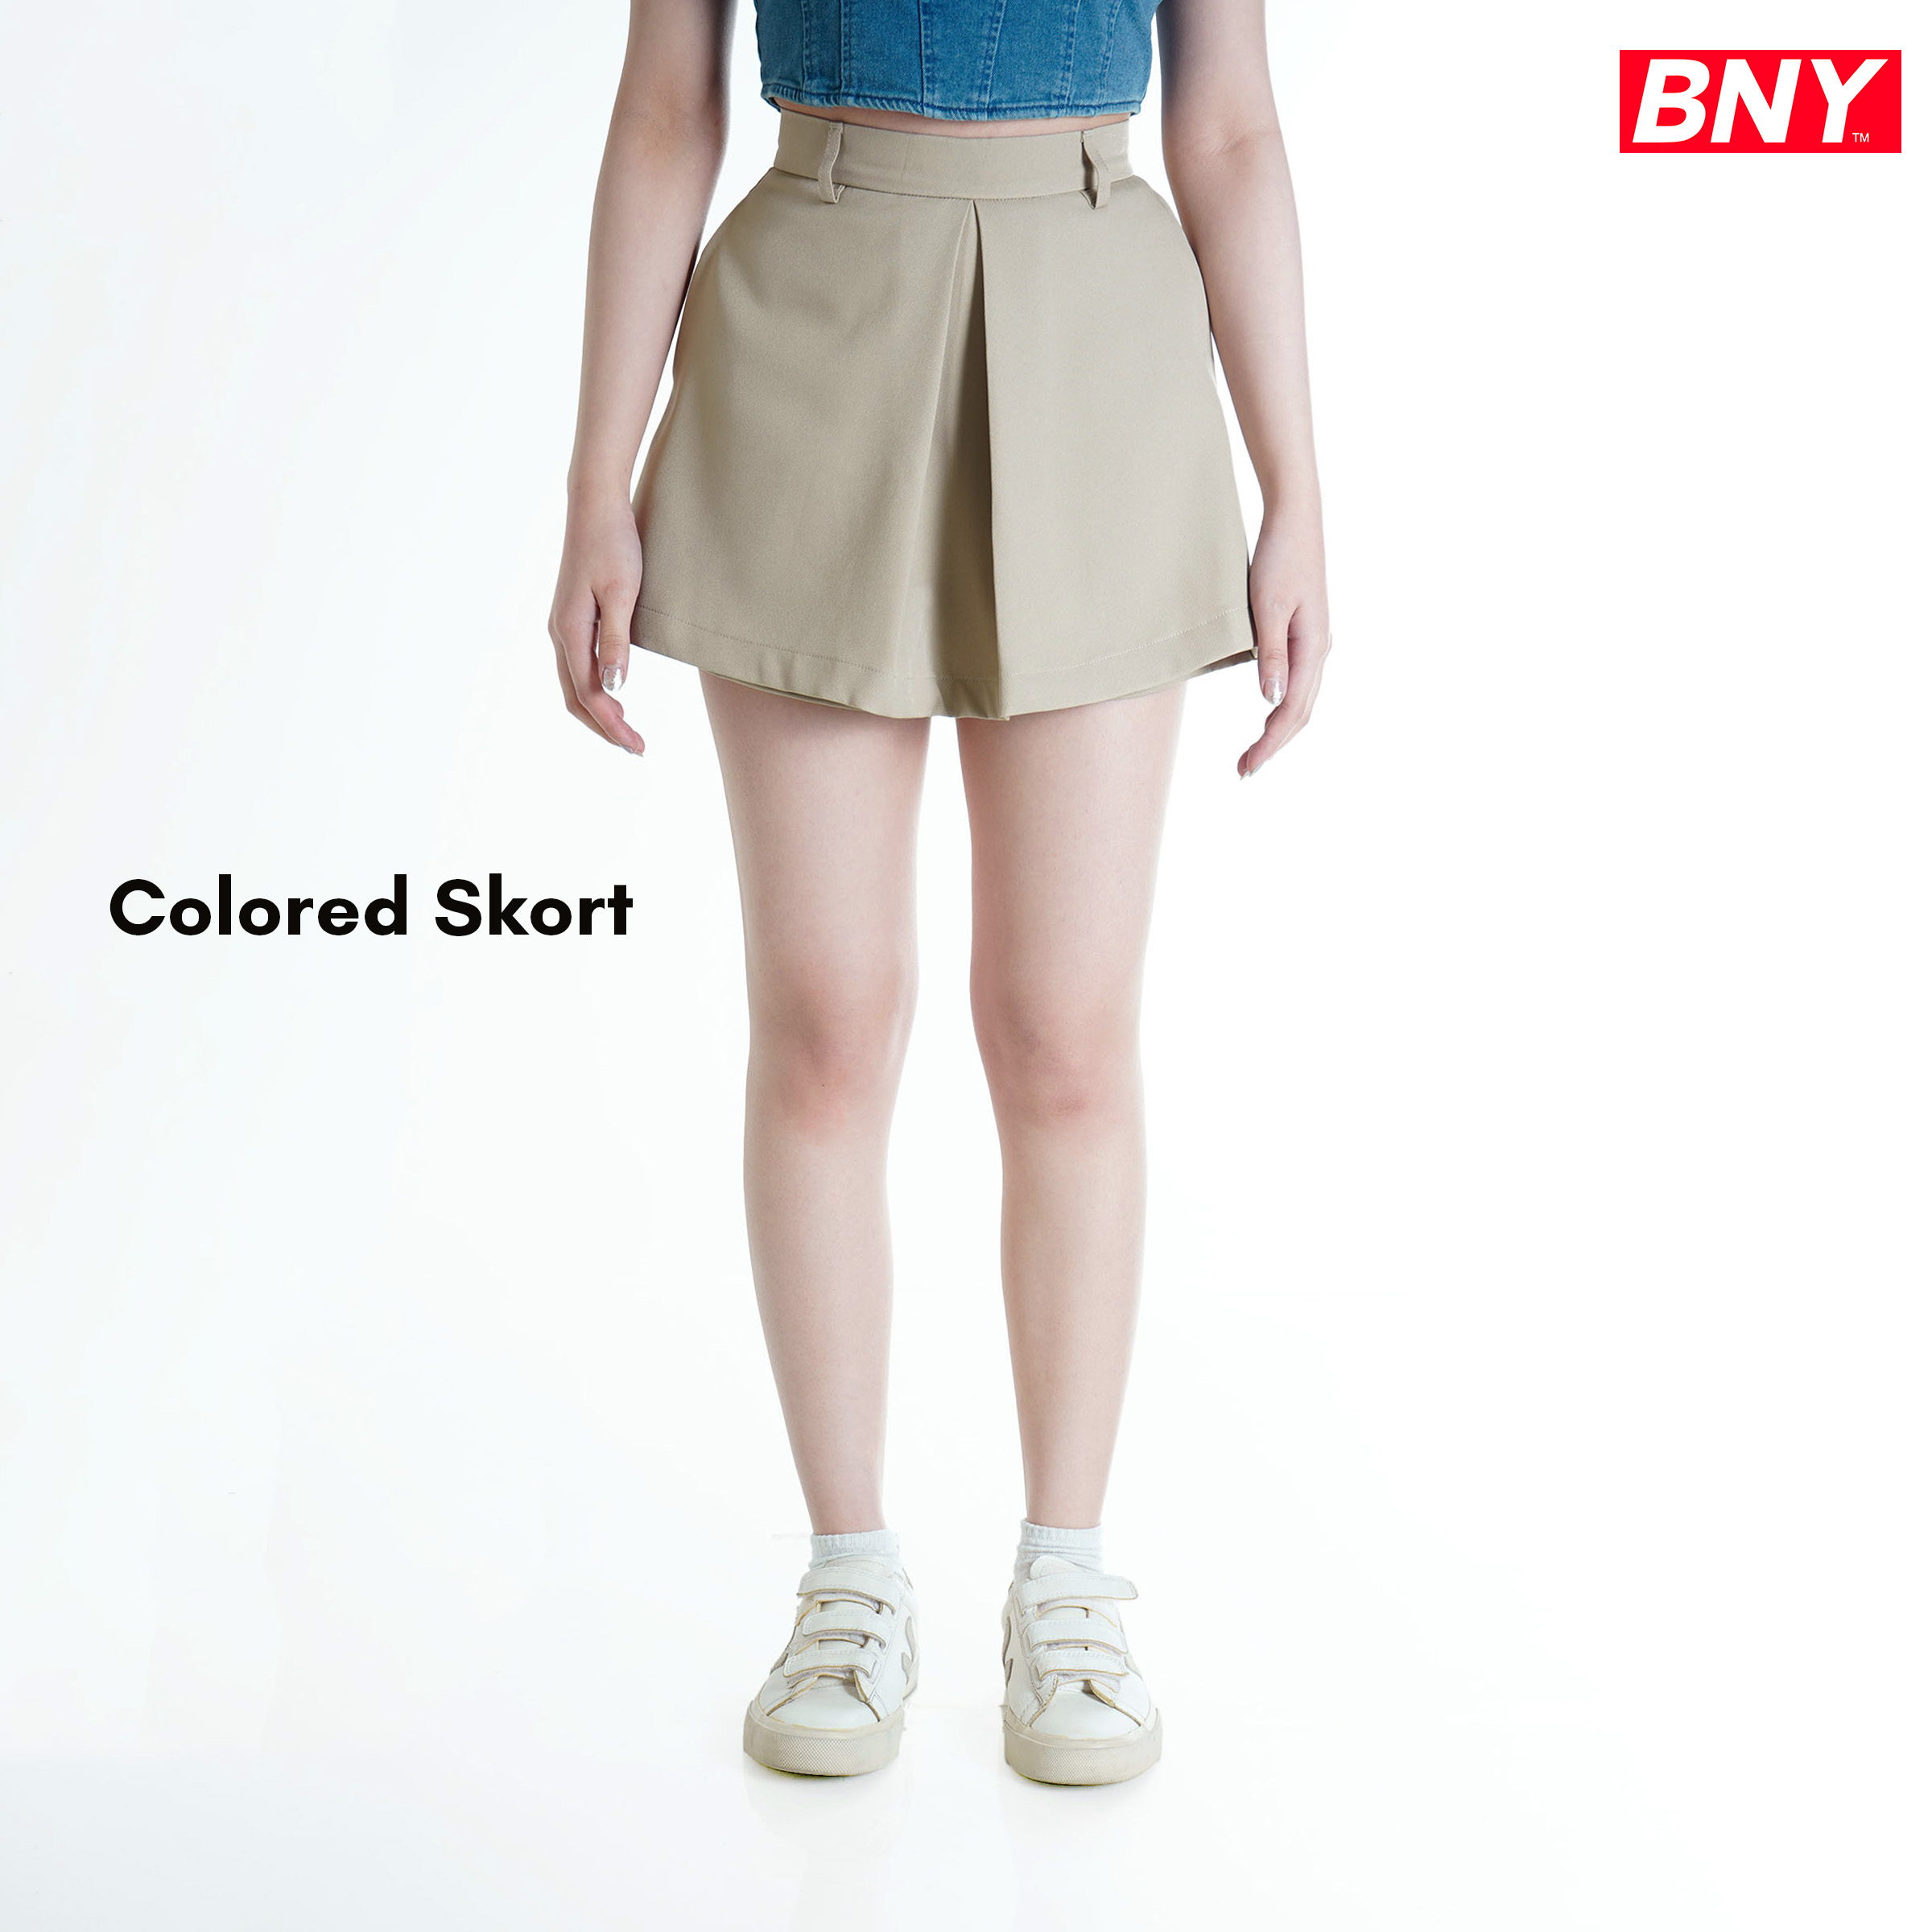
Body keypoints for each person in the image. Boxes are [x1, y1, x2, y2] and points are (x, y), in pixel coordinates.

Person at [547, 0, 1329, 1785]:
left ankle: (1069, 1582)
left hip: (1099, 328)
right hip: (808, 320)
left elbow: (1229, 125)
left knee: (1064, 1033)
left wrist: (1297, 489)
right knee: (828, 1021)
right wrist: (597, 478)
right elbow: (665, 108)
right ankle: (848, 1580)